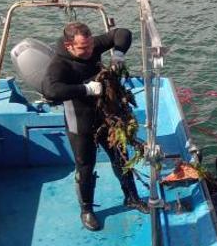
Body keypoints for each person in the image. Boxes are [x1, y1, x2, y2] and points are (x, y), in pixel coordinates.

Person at [41, 21, 149, 231]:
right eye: (83, 48)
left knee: (121, 157)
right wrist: (86, 89)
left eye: (91, 45)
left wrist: (118, 54)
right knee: (85, 167)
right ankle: (87, 210)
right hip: (80, 123)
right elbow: (50, 90)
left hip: (106, 119)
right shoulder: (59, 63)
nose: (90, 51)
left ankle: (131, 197)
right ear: (69, 45)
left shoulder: (92, 46)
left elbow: (122, 32)